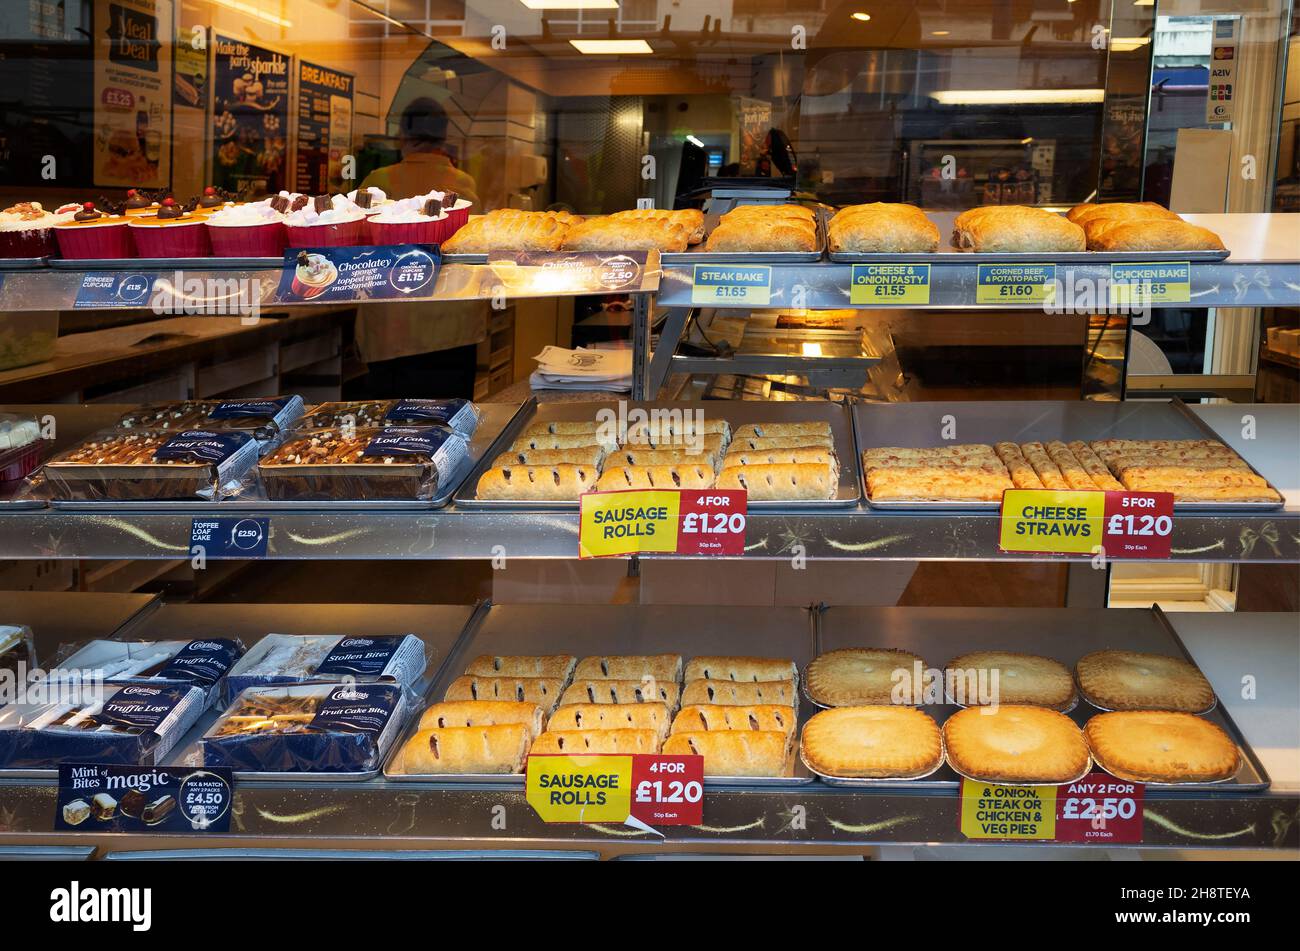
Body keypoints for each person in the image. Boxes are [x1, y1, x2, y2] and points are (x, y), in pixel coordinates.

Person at [352, 97, 484, 400]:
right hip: (453, 328)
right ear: (444, 136)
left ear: (402, 136)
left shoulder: (379, 180)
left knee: (393, 428)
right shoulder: (462, 183)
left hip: (390, 330)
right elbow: (474, 246)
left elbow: (357, 245)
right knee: (449, 422)